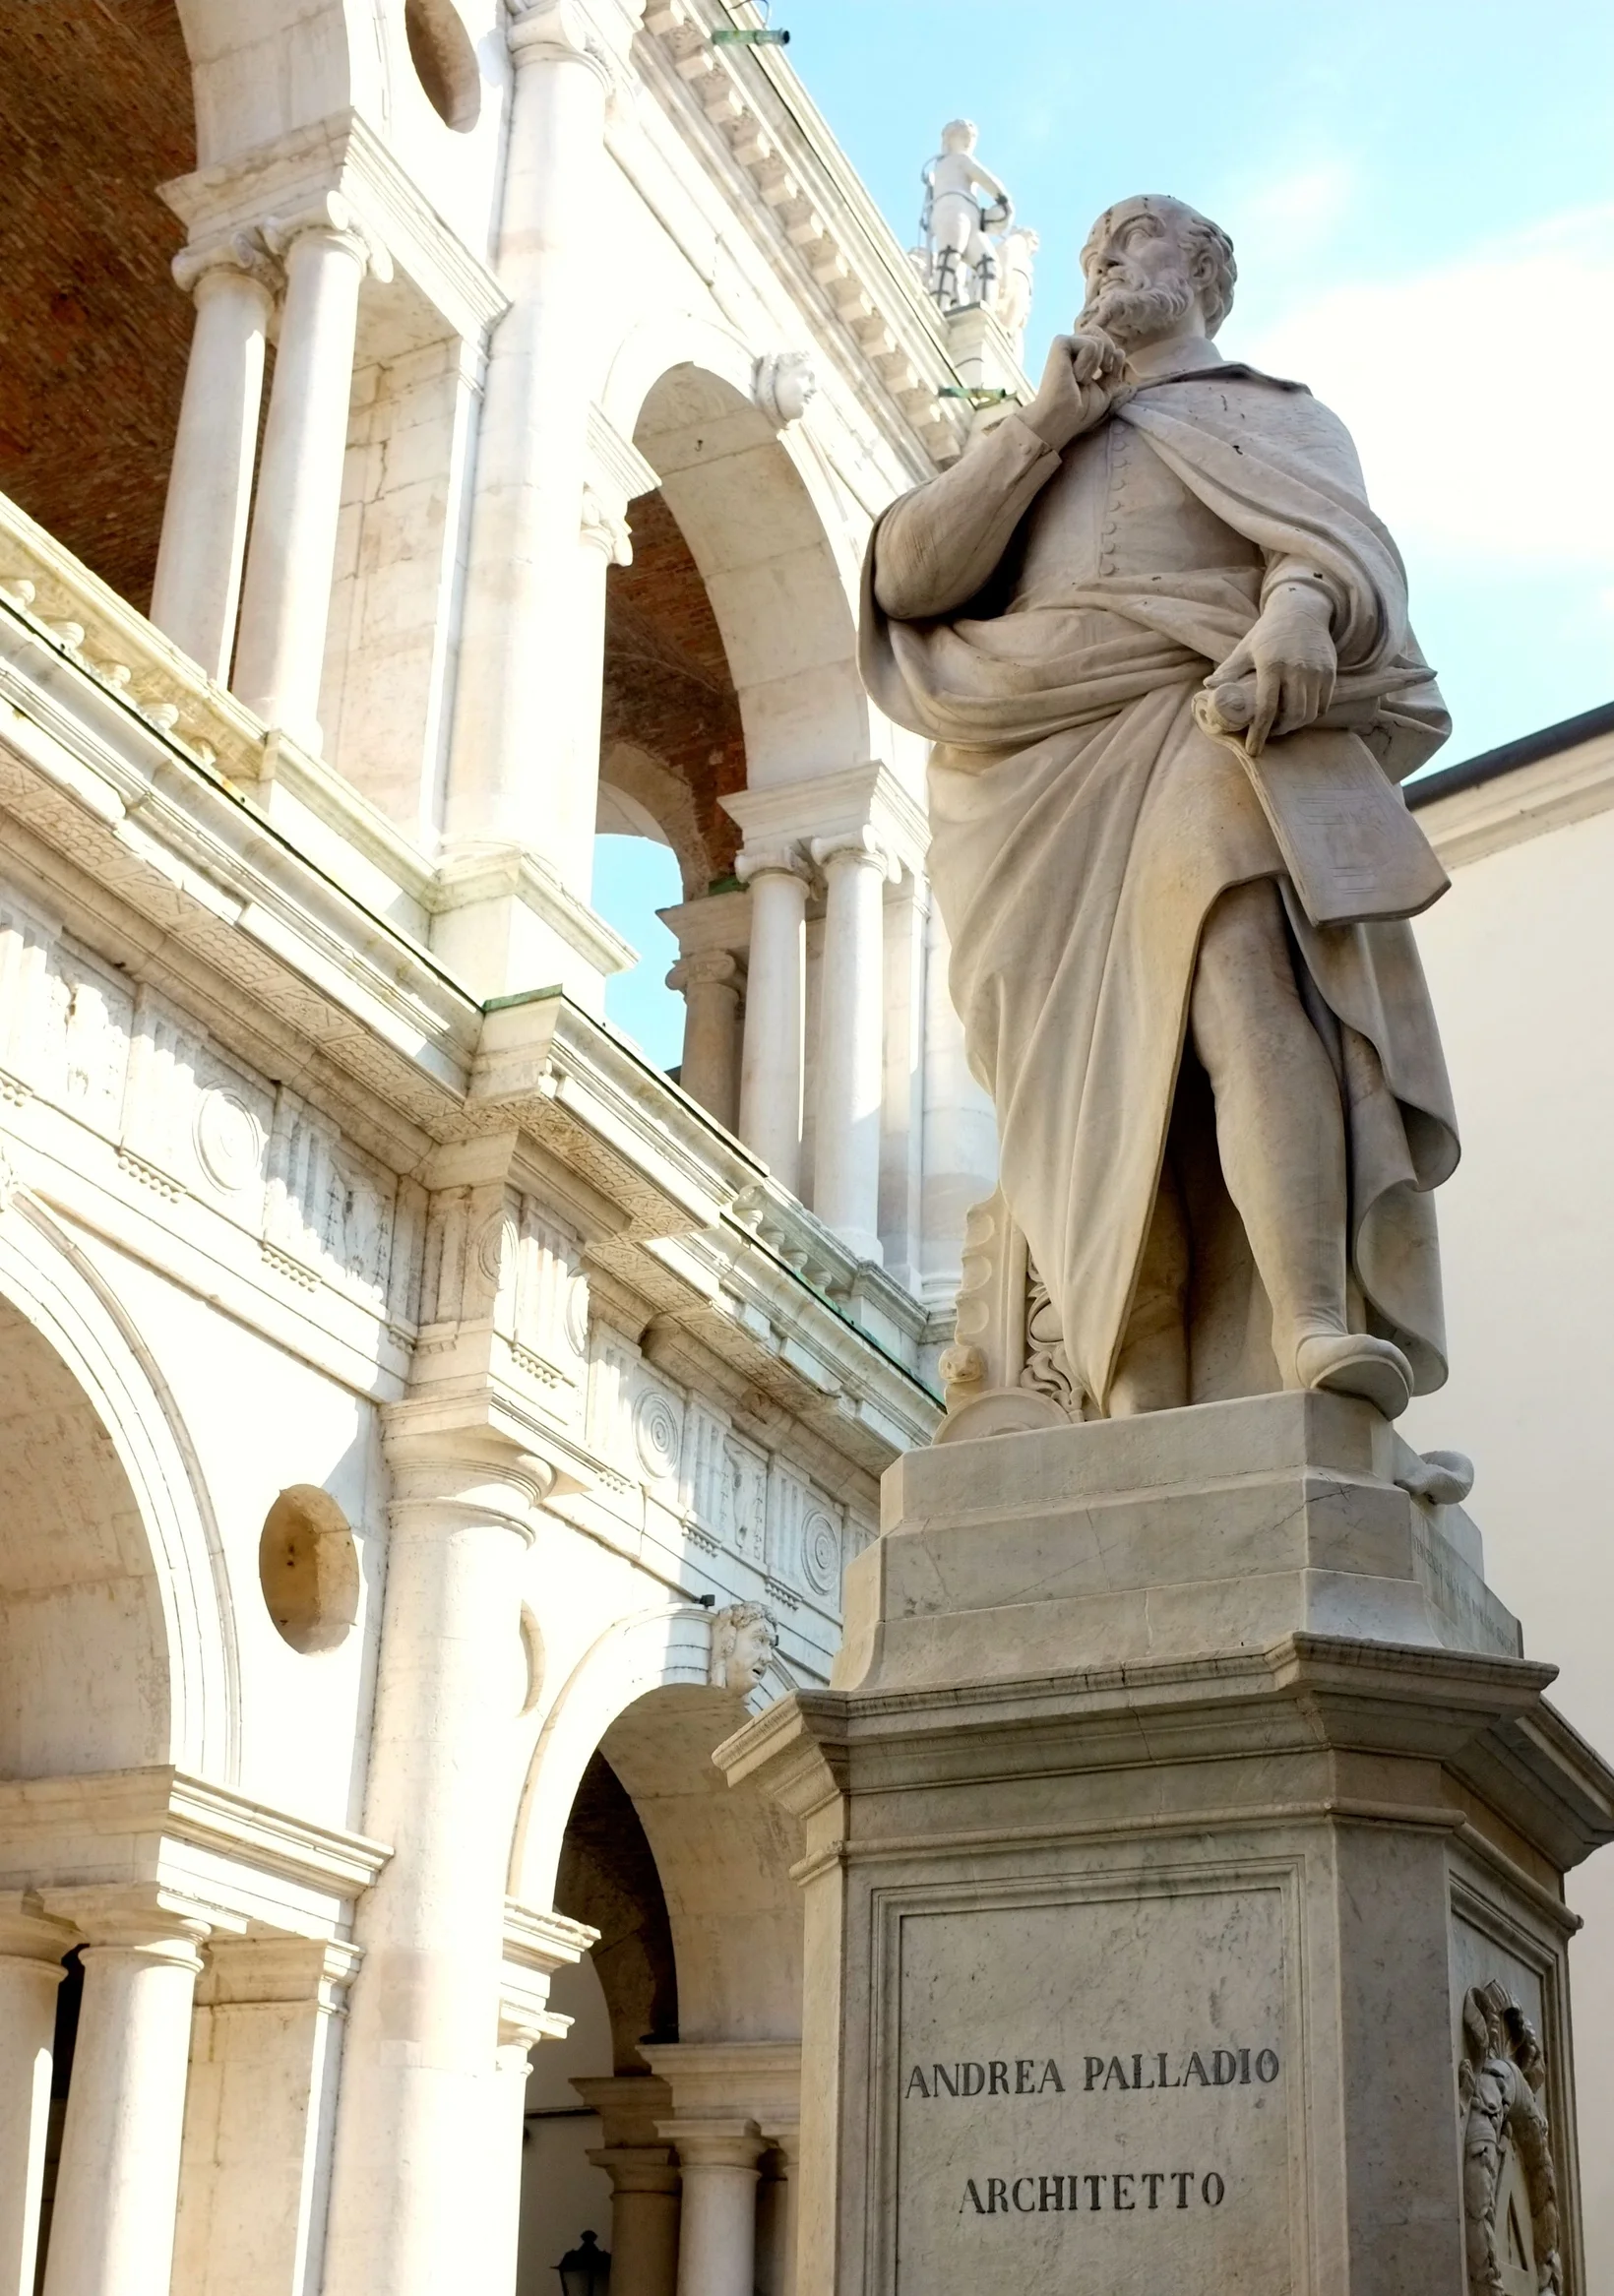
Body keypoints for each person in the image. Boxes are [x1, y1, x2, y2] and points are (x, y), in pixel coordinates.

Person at [864, 195, 1457, 1419]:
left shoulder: (1273, 413)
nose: (1101, 264)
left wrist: (1296, 606)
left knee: (1242, 967)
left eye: (1131, 242)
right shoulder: (1037, 424)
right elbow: (913, 574)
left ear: (1201, 272)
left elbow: (1341, 553)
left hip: (1200, 714)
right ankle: (1133, 1378)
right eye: (1092, 251)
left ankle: (1305, 1317)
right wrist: (1038, 428)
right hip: (1030, 770)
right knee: (1081, 1078)